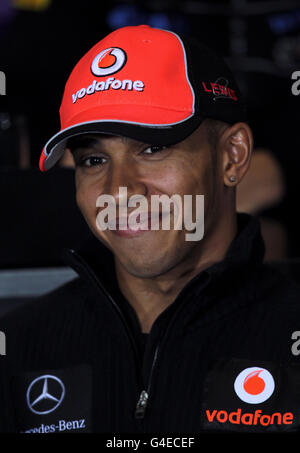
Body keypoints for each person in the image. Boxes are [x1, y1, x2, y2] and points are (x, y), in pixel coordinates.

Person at [1, 24, 300, 434]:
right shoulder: (17, 346)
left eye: (153, 148)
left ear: (233, 156)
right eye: (93, 161)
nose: (119, 191)